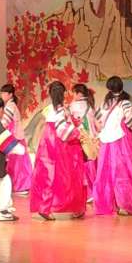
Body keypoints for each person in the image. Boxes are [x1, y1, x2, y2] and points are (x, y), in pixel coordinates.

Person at [93, 76, 132, 216]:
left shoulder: (105, 104)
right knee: (125, 171)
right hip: (121, 141)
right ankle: (127, 204)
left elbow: (97, 120)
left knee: (106, 172)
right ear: (121, 86)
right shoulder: (125, 103)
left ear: (109, 88)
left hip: (106, 142)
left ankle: (110, 204)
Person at [30, 81, 86, 220]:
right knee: (68, 175)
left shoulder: (49, 109)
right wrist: (77, 133)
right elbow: (63, 131)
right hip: (60, 146)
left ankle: (45, 207)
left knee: (47, 176)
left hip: (46, 143)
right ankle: (74, 207)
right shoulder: (61, 110)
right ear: (64, 93)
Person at [0, 83, 33, 197]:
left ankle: (20, 186)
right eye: (2, 93)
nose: (2, 95)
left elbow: (5, 122)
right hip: (16, 136)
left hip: (14, 137)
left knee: (16, 163)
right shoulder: (11, 105)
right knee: (19, 163)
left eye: (4, 93)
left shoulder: (10, 106)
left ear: (10, 94)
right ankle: (20, 186)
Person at [70, 83, 99, 204]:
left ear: (78, 93)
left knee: (81, 166)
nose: (72, 95)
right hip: (92, 139)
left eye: (73, 93)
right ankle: (96, 191)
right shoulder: (90, 105)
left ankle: (88, 193)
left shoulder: (74, 105)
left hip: (81, 139)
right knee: (92, 165)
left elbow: (72, 122)